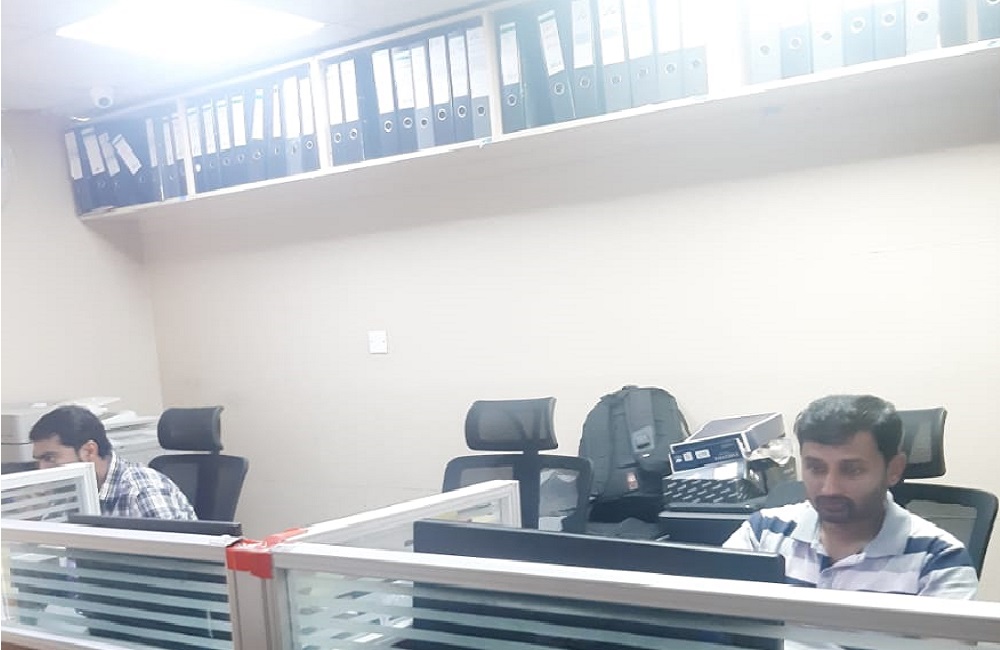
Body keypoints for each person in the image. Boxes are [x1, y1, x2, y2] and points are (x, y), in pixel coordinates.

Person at [724, 394, 977, 599]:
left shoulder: (940, 560)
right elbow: (715, 622)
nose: (829, 488)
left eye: (852, 470)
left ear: (894, 469)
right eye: (816, 468)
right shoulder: (762, 532)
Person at [29, 405, 197, 520]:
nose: (42, 469)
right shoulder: (67, 495)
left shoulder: (141, 490)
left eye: (50, 458)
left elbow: (176, 557)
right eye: (39, 460)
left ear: (89, 451)